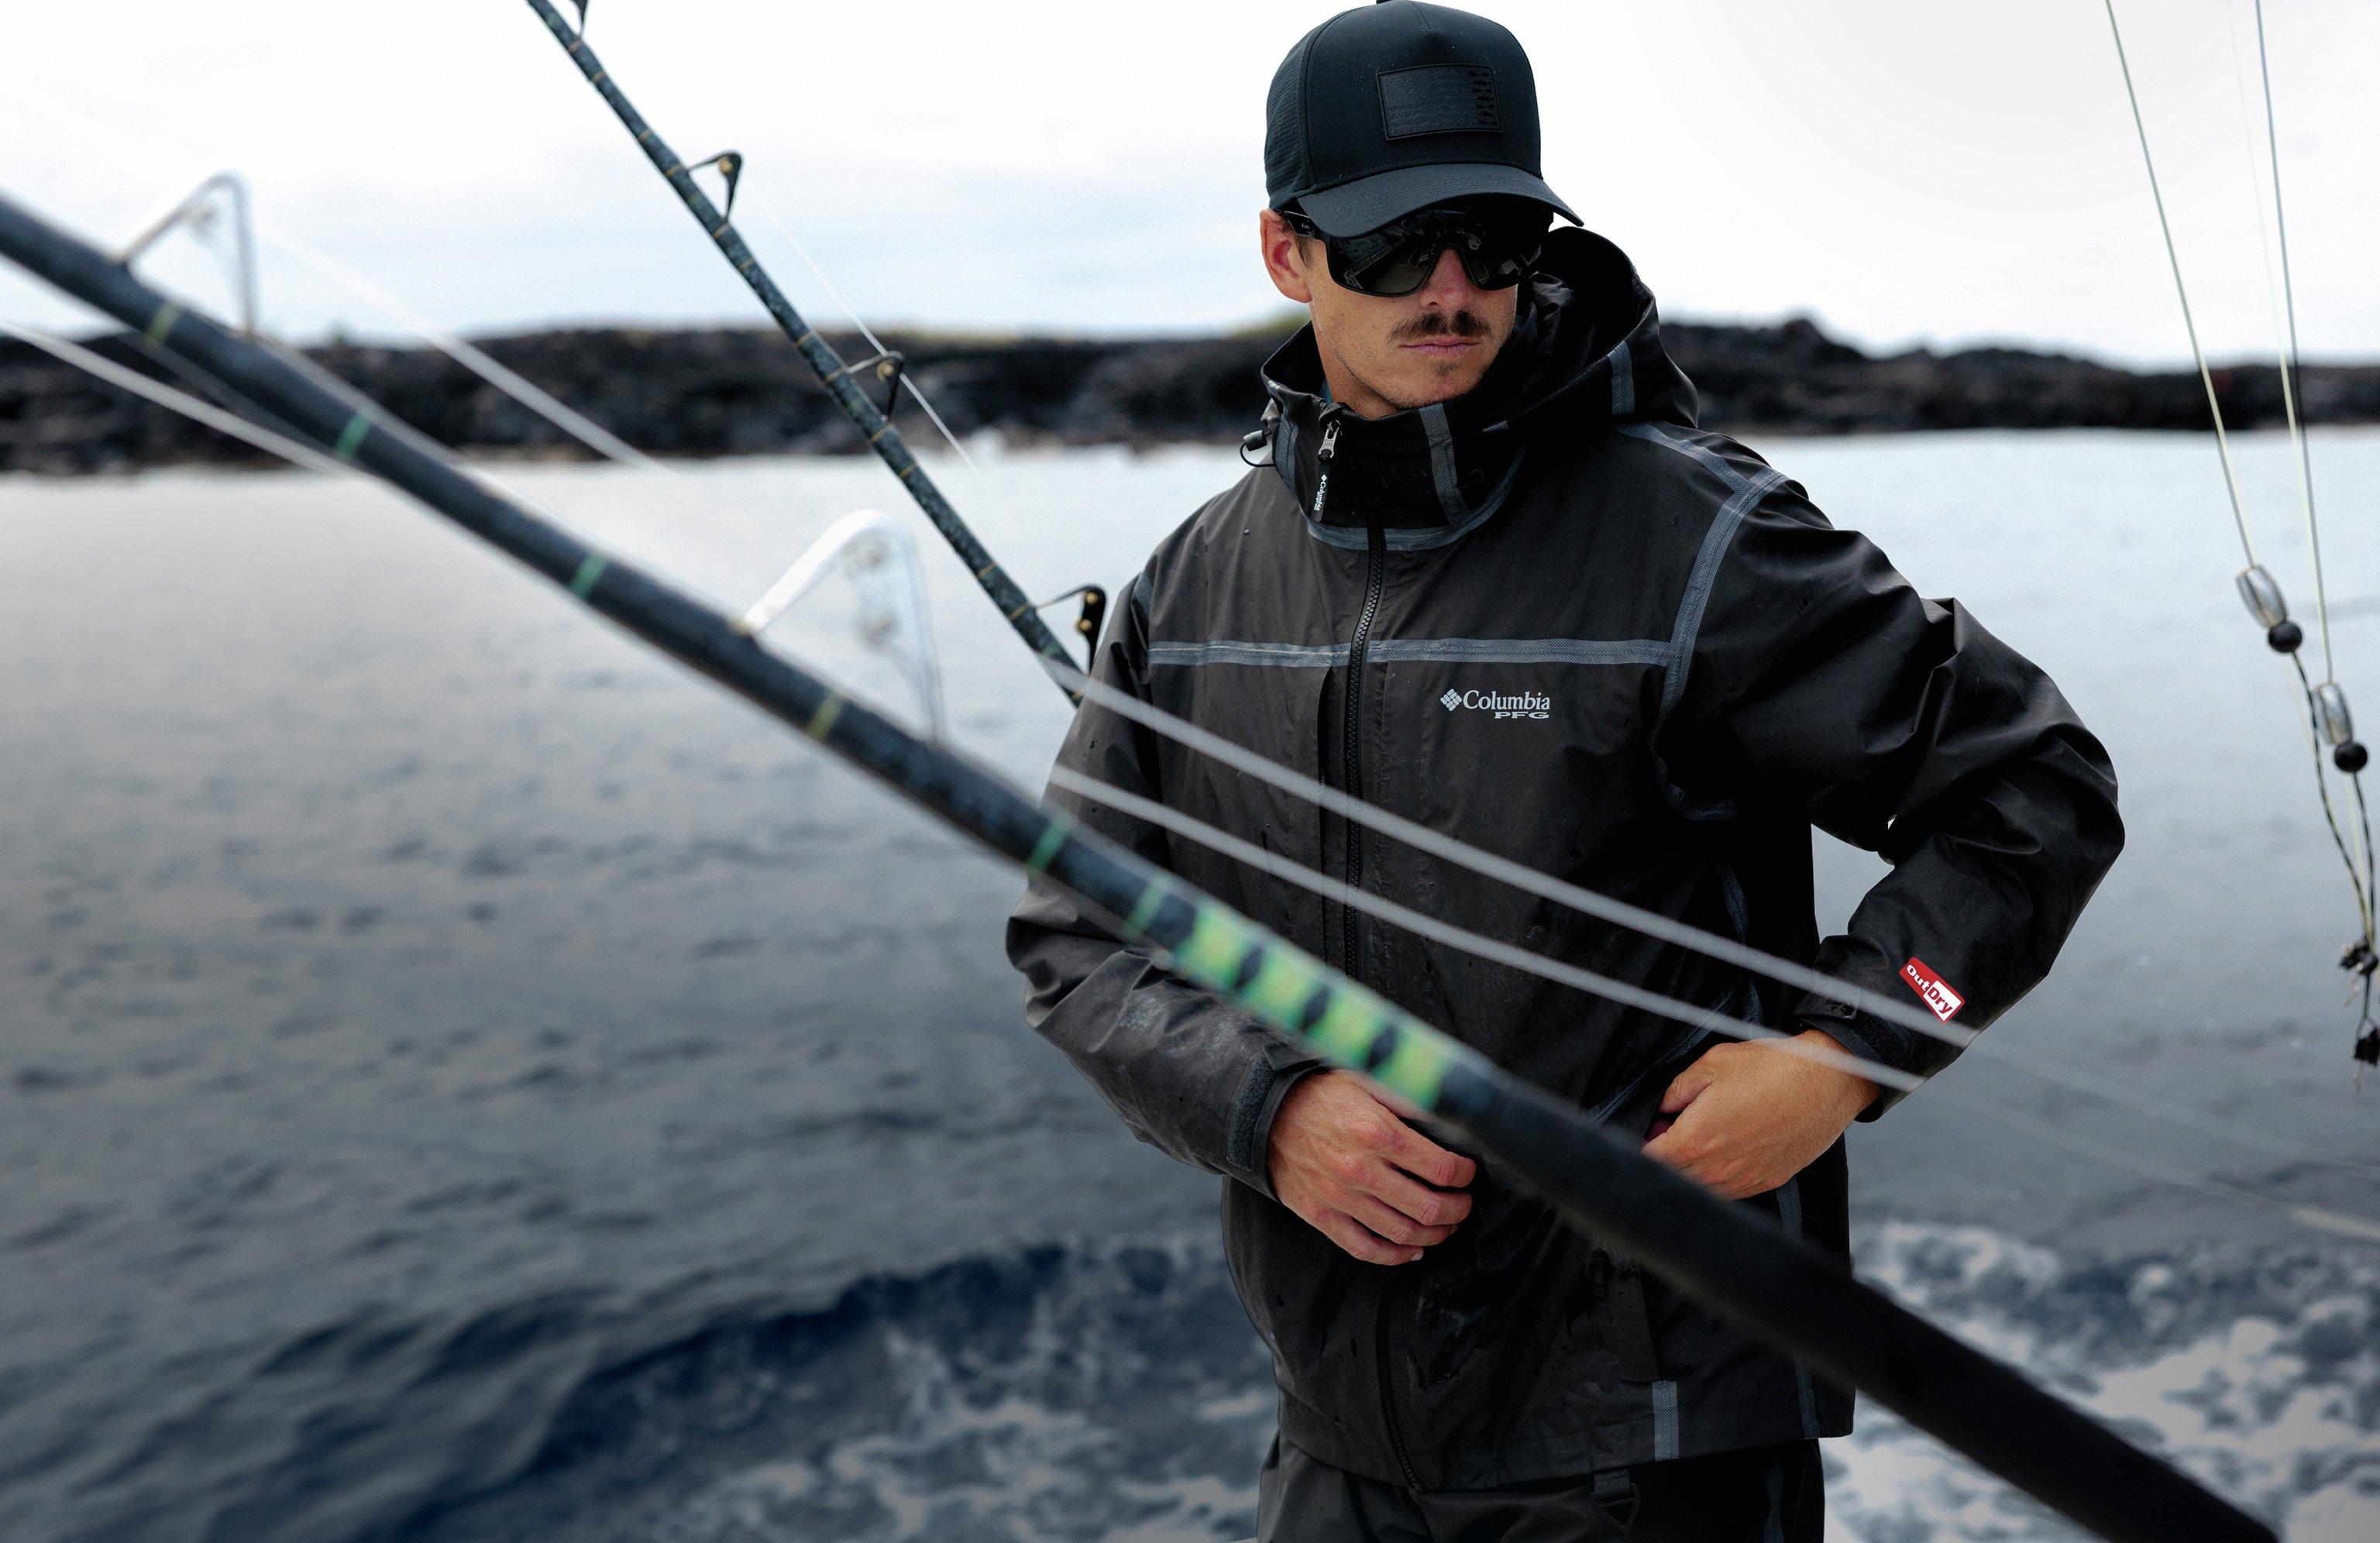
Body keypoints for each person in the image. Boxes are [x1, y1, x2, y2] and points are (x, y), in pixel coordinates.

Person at [1008, 2, 2124, 1537]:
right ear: (1288, 254)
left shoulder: (1705, 541)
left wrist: (1846, 1052)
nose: (1452, 288)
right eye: (1396, 248)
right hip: (1337, 1448)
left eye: (1491, 235)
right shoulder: (1194, 584)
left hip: (1655, 1452)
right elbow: (1079, 933)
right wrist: (1264, 1108)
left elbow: (2035, 793)